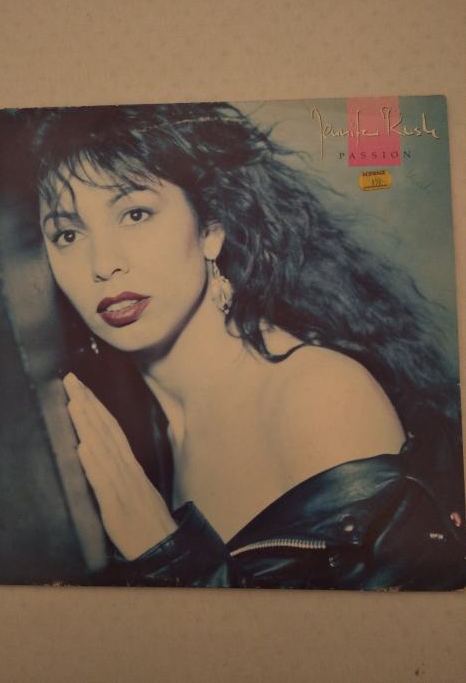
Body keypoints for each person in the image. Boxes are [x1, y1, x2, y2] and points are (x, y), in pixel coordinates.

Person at [31, 102, 465, 589]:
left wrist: (165, 551)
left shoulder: (318, 398)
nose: (103, 263)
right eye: (67, 233)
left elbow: (392, 632)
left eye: (135, 213)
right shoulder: (142, 428)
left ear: (210, 231)